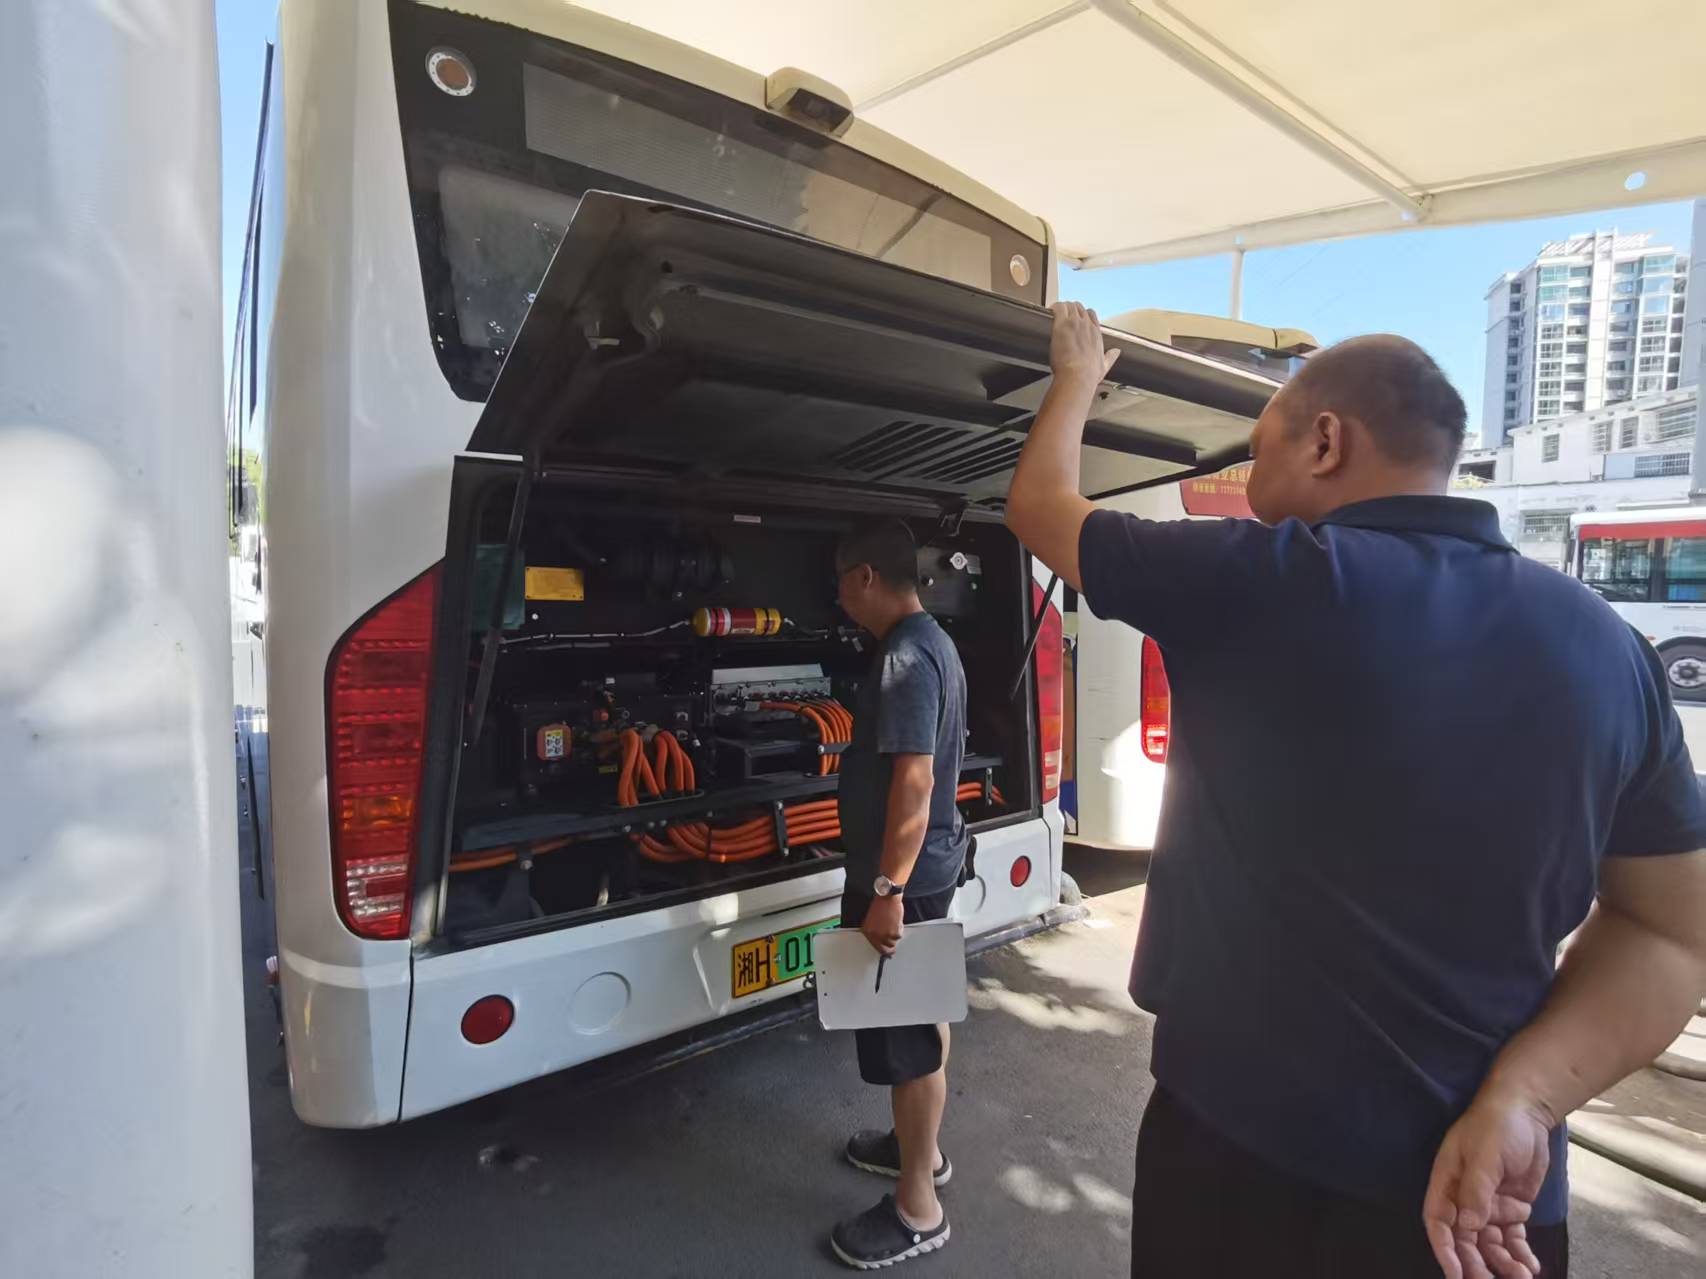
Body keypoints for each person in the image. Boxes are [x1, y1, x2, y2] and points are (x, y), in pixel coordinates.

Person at [1004, 302, 1706, 1279]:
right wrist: (1527, 1097)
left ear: (1325, 441)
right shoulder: (1610, 648)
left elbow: (1039, 507)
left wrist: (1076, 374)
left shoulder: (1261, 577)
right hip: (1480, 1208)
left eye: (1257, 450)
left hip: (1237, 1171)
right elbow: (1672, 933)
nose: (1249, 479)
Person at [827, 517, 968, 1270]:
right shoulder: (933, 642)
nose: (839, 599)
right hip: (927, 870)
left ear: (866, 577)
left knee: (907, 1043)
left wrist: (887, 888)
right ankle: (920, 1150)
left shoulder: (906, 658)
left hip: (904, 883)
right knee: (921, 1019)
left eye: (841, 583)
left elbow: (914, 783)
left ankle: (918, 1207)